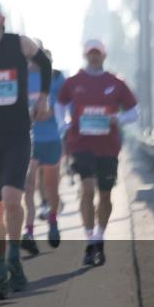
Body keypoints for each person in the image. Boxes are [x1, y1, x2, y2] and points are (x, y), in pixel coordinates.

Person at [0, 1, 51, 300]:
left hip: (17, 134)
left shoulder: (19, 44)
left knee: (13, 198)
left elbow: (45, 63)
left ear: (1, 19)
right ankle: (1, 269)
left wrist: (43, 98)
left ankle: (14, 256)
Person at [58, 39, 138, 266]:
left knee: (105, 195)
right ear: (85, 55)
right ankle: (90, 239)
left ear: (104, 55)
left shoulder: (116, 82)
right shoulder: (74, 82)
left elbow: (134, 112)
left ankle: (100, 237)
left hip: (108, 147)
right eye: (91, 53)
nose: (94, 56)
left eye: (98, 53)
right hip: (81, 144)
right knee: (87, 189)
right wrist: (63, 124)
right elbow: (60, 104)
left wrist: (118, 118)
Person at [22, 43, 67, 253]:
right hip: (29, 139)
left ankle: (53, 220)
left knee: (51, 188)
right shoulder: (21, 75)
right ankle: (29, 232)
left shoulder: (56, 77)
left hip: (51, 138)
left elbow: (66, 104)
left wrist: (53, 111)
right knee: (29, 186)